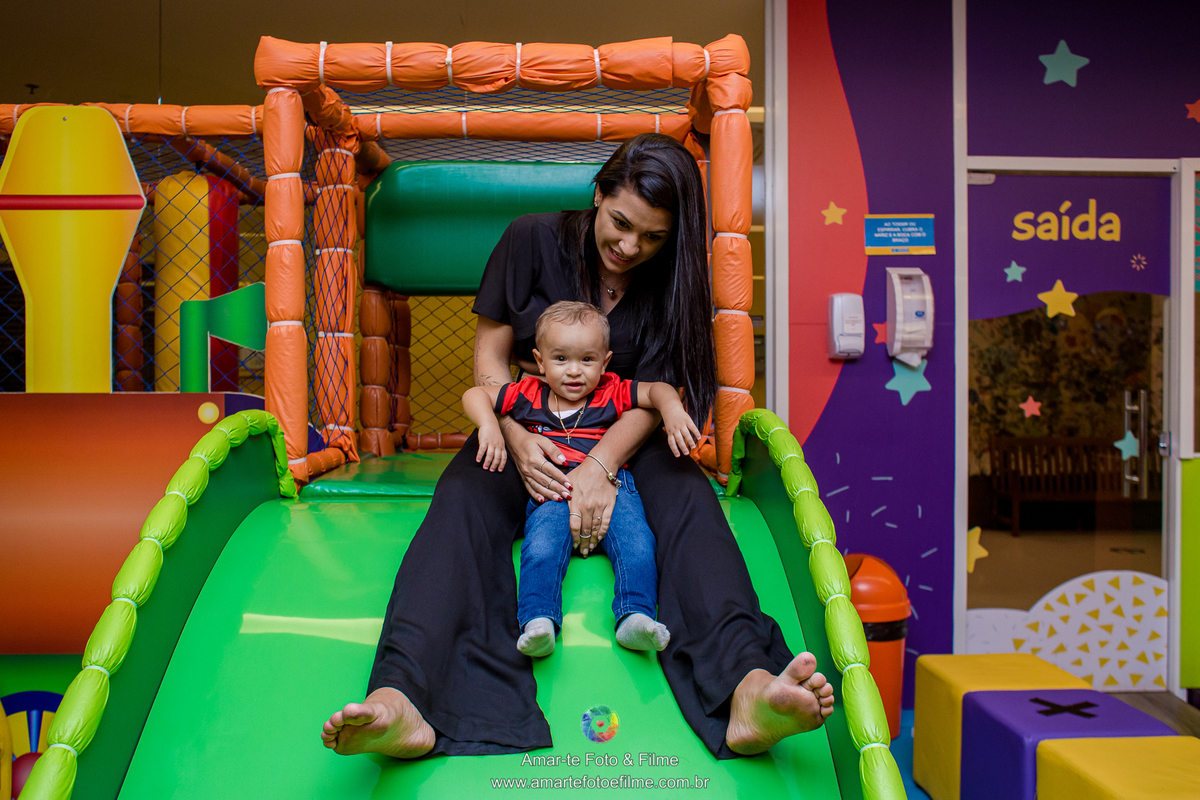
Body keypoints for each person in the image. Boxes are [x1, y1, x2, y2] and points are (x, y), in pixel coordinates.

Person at [321, 133, 835, 760]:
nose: (630, 247)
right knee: (460, 500)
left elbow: (656, 392)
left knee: (689, 499)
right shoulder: (531, 239)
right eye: (621, 224)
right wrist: (517, 435)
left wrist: (600, 464)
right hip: (527, 423)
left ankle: (747, 687)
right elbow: (489, 358)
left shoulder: (669, 279)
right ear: (599, 194)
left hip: (625, 435)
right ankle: (404, 696)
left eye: (652, 237)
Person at [464, 300, 702, 658]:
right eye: (560, 359)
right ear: (540, 362)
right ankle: (539, 619)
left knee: (638, 544)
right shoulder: (528, 394)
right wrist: (488, 426)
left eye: (587, 360)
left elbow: (658, 390)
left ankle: (634, 617)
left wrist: (671, 409)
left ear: (604, 362)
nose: (574, 372)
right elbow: (476, 394)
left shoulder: (612, 390)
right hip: (552, 489)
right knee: (540, 548)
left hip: (612, 487)